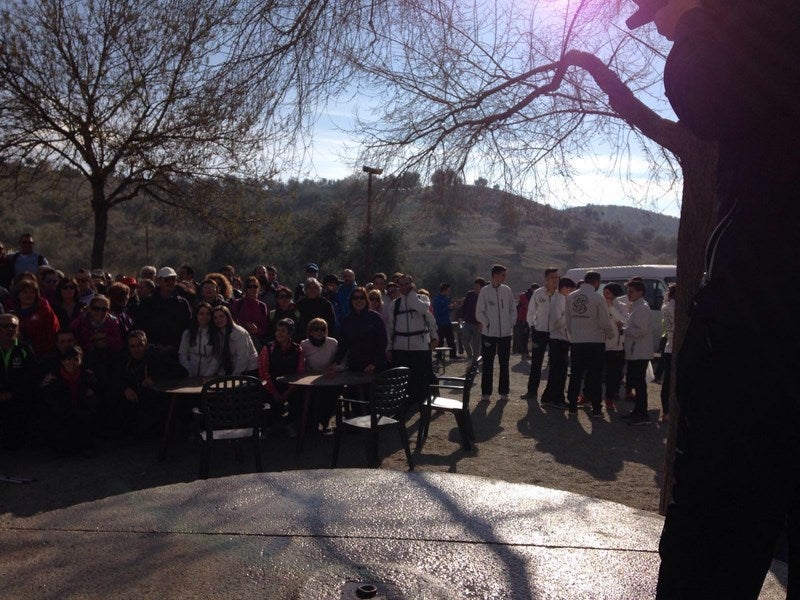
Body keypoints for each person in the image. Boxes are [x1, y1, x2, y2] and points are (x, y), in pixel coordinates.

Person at [630, 1, 800, 593]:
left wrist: (698, 20)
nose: (660, 27)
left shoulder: (756, 25)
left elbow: (707, 98)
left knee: (713, 546)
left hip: (764, 329)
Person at [564, 271, 613, 418]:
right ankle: (596, 409)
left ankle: (572, 406)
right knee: (595, 376)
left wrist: (575, 334)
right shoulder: (598, 298)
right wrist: (611, 334)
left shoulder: (571, 297)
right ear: (596, 282)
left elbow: (568, 320)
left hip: (577, 341)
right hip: (595, 342)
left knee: (576, 375)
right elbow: (604, 321)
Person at [387, 274, 437, 409]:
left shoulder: (423, 299)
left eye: (406, 284)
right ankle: (406, 405)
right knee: (404, 379)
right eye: (401, 284)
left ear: (411, 284)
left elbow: (427, 316)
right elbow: (390, 328)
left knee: (421, 377)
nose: (404, 287)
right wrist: (389, 348)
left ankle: (422, 404)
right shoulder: (394, 304)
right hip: (400, 347)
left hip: (420, 346)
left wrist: (434, 337)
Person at [39, 345, 99, 456]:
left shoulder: (88, 378)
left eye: (75, 359)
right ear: (62, 361)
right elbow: (53, 404)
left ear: (81, 361)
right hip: (62, 418)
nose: (71, 363)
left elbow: (94, 400)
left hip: (82, 417)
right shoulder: (54, 379)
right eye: (68, 359)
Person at [475, 264, 515, 402]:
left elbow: (512, 309)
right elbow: (479, 312)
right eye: (503, 274)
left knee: (504, 363)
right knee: (488, 364)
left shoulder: (507, 290)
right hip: (489, 333)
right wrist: (487, 324)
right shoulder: (485, 291)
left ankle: (504, 392)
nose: (505, 277)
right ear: (495, 275)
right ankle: (486, 393)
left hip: (505, 333)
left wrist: (510, 323)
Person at [258, 318, 306, 435]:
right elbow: (263, 372)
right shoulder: (268, 348)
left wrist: (288, 392)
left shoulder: (298, 349)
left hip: (290, 386)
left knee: (300, 397)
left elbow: (300, 372)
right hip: (272, 385)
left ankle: (292, 425)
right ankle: (268, 427)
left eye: (283, 331)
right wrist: (274, 392)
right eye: (277, 330)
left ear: (290, 333)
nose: (279, 333)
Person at [332, 286, 388, 374]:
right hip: (355, 366)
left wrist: (374, 363)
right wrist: (336, 362)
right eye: (355, 298)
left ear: (366, 300)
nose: (359, 300)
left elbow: (383, 342)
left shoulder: (375, 317)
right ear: (351, 301)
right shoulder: (347, 321)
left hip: (375, 367)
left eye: (362, 297)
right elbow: (343, 345)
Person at [0, 313, 36, 449]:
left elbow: (31, 377)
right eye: (4, 326)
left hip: (17, 398)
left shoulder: (24, 350)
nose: (9, 329)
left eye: (13, 326)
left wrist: (11, 393)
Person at [538, 278, 575, 409]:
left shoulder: (561, 299)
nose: (570, 292)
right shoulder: (558, 300)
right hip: (558, 339)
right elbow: (556, 322)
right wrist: (567, 317)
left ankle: (549, 397)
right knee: (559, 371)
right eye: (570, 289)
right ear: (564, 288)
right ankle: (556, 398)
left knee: (558, 370)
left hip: (562, 339)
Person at [620, 280, 653, 425]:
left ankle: (643, 414)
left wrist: (624, 329)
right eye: (628, 291)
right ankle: (638, 411)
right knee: (636, 381)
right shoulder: (635, 306)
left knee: (639, 383)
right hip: (635, 350)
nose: (628, 293)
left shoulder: (642, 308)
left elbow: (640, 330)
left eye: (631, 291)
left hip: (639, 351)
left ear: (640, 292)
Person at [523, 268, 559, 400]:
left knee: (555, 364)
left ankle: (551, 394)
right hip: (540, 332)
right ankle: (531, 391)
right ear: (546, 279)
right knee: (536, 364)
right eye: (552, 277)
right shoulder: (538, 293)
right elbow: (531, 312)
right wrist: (533, 327)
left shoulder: (561, 294)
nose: (555, 279)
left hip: (556, 333)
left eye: (556, 277)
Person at [301, 318, 338, 434]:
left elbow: (339, 361)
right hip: (311, 378)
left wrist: (334, 368)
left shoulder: (333, 343)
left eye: (322, 329)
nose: (319, 331)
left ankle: (325, 421)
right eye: (316, 329)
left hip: (329, 376)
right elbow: (303, 364)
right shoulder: (304, 344)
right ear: (310, 332)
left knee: (332, 395)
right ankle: (312, 424)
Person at [9, 277, 60, 357]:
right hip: (20, 355)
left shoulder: (45, 311)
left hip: (44, 354)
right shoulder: (12, 315)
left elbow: (53, 331)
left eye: (32, 292)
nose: (28, 295)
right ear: (18, 295)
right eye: (25, 292)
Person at [211, 305, 258, 376]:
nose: (219, 320)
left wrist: (234, 377)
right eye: (215, 318)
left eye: (222, 316)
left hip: (249, 369)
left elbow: (243, 357)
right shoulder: (219, 333)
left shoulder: (239, 332)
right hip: (233, 369)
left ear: (228, 317)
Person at [601, 283, 627, 411]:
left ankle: (609, 398)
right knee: (596, 373)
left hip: (616, 346)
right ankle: (588, 396)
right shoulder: (600, 305)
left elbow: (623, 321)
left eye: (608, 293)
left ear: (614, 294)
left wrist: (611, 308)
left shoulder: (622, 306)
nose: (605, 296)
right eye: (604, 293)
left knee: (613, 375)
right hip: (600, 343)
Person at [178, 302, 221, 377]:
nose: (205, 317)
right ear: (196, 315)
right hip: (190, 375)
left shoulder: (215, 334)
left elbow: (217, 357)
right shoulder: (188, 333)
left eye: (208, 314)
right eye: (201, 314)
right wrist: (188, 373)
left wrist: (208, 374)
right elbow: (182, 354)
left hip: (209, 376)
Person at [230, 276, 269, 350]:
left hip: (256, 342)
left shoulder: (262, 306)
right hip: (239, 340)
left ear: (258, 288)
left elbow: (264, 327)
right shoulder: (238, 303)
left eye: (255, 286)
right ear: (245, 288)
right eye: (249, 286)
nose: (252, 289)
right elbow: (233, 322)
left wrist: (257, 330)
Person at [659, 283, 676, 423]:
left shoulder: (665, 307)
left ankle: (666, 412)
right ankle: (669, 411)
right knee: (672, 382)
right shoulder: (676, 307)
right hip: (675, 346)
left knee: (667, 382)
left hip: (668, 346)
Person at [460, 277, 485, 360]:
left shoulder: (485, 297)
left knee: (476, 345)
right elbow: (464, 307)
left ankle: (474, 362)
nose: (475, 288)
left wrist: (482, 323)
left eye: (477, 286)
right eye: (475, 286)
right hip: (467, 322)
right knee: (465, 342)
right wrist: (462, 317)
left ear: (482, 287)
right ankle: (470, 358)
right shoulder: (470, 294)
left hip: (478, 324)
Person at [432, 283, 457, 359]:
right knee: (440, 341)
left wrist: (453, 307)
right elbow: (437, 311)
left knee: (451, 340)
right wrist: (447, 307)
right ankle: (439, 356)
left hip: (447, 322)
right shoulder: (437, 299)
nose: (449, 292)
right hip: (440, 323)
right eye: (448, 290)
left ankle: (453, 355)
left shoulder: (447, 298)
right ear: (444, 290)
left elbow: (449, 309)